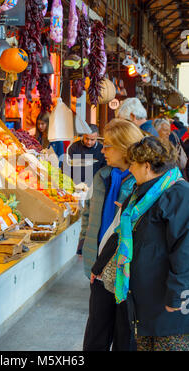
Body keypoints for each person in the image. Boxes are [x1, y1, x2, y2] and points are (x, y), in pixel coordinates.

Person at [92, 137, 189, 351]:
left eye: (133, 164)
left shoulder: (179, 195)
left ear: (146, 166)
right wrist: (99, 266)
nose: (130, 169)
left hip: (168, 305)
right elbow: (120, 234)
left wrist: (177, 295)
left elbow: (184, 251)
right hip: (143, 302)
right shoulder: (140, 194)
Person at [82, 118, 145, 351]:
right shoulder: (103, 175)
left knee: (124, 336)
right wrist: (84, 246)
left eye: (108, 145)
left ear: (125, 147)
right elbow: (89, 213)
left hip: (125, 270)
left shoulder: (142, 182)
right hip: (99, 265)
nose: (103, 149)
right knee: (95, 335)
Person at [67, 125, 107, 255]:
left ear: (97, 138)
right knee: (79, 217)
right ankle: (78, 246)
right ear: (82, 136)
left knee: (90, 218)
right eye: (86, 139)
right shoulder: (74, 148)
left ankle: (89, 245)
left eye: (92, 139)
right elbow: (69, 168)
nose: (89, 142)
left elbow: (104, 170)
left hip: (94, 187)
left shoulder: (102, 150)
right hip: (76, 187)